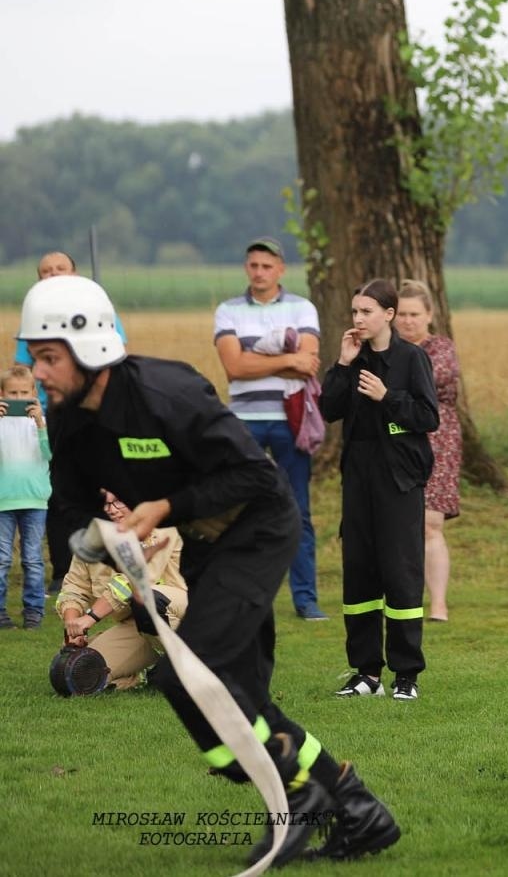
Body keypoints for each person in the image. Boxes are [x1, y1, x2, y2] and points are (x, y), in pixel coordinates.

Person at [20, 274, 399, 864]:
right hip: (202, 545)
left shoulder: (166, 395)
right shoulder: (69, 420)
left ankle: (304, 799)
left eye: (47, 357)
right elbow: (69, 501)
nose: (36, 372)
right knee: (240, 696)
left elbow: (253, 476)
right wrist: (99, 536)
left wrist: (165, 508)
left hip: (259, 528)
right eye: (33, 357)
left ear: (89, 347)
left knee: (188, 678)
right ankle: (353, 808)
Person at [321, 279, 439, 701]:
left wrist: (388, 396)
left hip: (400, 480)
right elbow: (328, 409)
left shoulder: (413, 359)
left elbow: (428, 417)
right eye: (354, 311)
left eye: (366, 311)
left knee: (401, 574)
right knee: (360, 574)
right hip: (358, 479)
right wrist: (341, 363)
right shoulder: (352, 358)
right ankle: (366, 672)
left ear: (388, 314)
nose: (357, 319)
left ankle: (406, 674)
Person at [212, 237, 326, 621]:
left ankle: (306, 599)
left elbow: (308, 362)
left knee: (297, 509)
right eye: (253, 265)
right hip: (244, 420)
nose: (259, 272)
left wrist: (256, 357)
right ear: (247, 268)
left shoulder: (302, 307)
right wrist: (286, 359)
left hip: (291, 422)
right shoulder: (228, 311)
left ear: (281, 269)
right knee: (237, 507)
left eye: (266, 265)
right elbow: (234, 369)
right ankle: (236, 594)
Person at [12, 251, 128, 596]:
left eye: (60, 269)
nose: (53, 274)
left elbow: (117, 353)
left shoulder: (98, 310)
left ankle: (112, 569)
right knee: (61, 495)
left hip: (95, 414)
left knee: (105, 490)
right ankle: (64, 572)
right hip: (51, 417)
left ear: (75, 274)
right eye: (45, 271)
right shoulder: (32, 321)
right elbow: (25, 370)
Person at [56, 500, 188, 690]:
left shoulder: (161, 526)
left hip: (185, 610)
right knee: (73, 672)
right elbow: (74, 587)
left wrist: (90, 618)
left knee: (150, 600)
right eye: (106, 504)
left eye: (118, 502)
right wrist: (73, 627)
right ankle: (143, 674)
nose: (112, 510)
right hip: (136, 625)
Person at [394, 279, 460, 623]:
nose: (407, 321)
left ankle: (438, 604)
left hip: (438, 442)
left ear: (430, 315)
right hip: (394, 443)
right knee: (398, 525)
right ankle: (404, 598)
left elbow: (428, 381)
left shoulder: (441, 349)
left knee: (430, 524)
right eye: (402, 314)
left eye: (414, 314)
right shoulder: (384, 350)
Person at [0, 364, 49, 629]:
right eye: (12, 393)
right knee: (2, 559)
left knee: (32, 558)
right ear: (1, 394)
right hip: (3, 500)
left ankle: (34, 611)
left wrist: (40, 424)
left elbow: (49, 455)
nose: (18, 399)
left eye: (23, 393)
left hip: (35, 500)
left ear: (34, 392)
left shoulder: (41, 424)